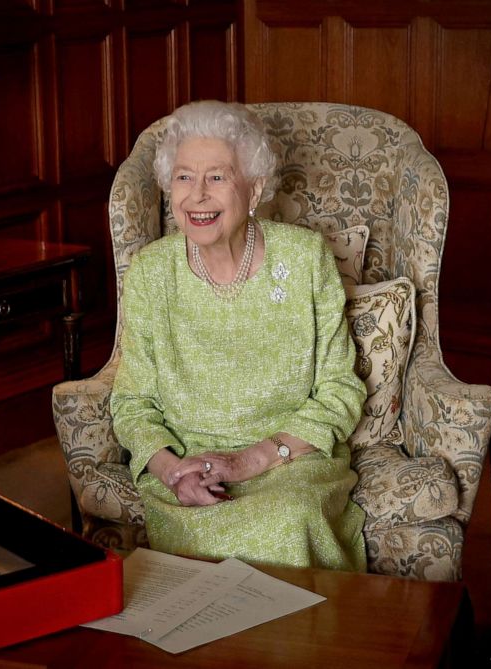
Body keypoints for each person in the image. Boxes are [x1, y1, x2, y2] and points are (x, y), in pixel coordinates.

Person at [109, 100, 368, 571]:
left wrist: (249, 462)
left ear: (254, 190)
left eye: (218, 177)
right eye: (184, 177)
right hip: (188, 471)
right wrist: (172, 473)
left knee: (288, 522)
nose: (198, 195)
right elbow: (132, 404)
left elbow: (339, 390)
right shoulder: (150, 272)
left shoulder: (306, 258)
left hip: (290, 462)